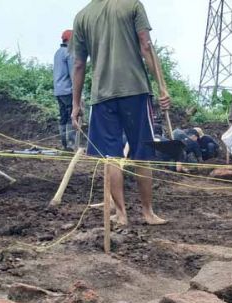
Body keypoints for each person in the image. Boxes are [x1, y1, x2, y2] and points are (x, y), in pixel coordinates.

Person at [71, 0, 169, 226]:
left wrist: (76, 104)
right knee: (142, 152)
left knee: (111, 157)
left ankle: (122, 214)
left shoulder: (82, 16)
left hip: (102, 96)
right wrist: (162, 86)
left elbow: (78, 64)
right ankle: (147, 213)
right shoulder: (133, 5)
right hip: (135, 89)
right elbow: (146, 46)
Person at [53, 30, 76, 150]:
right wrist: (79, 93)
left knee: (63, 116)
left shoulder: (57, 53)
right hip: (67, 91)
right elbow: (74, 74)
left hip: (58, 90)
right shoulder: (69, 53)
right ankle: (71, 145)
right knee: (72, 115)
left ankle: (64, 144)